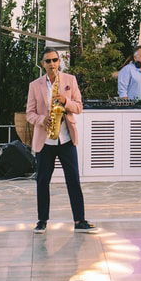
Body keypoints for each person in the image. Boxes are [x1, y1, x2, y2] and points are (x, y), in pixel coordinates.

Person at [26, 46, 95, 233]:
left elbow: (79, 107)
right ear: (42, 64)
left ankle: (79, 221)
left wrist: (66, 102)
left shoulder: (70, 80)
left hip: (65, 139)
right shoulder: (35, 85)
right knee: (42, 182)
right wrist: (42, 119)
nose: (52, 64)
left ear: (59, 62)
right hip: (45, 141)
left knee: (73, 180)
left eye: (54, 60)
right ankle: (42, 220)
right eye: (48, 61)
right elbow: (29, 114)